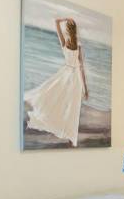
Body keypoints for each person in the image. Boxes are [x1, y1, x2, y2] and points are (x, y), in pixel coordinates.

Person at [25, 18, 89, 146]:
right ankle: (70, 137)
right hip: (75, 78)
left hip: (65, 74)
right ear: (75, 30)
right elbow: (81, 67)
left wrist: (64, 19)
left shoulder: (64, 43)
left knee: (59, 101)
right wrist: (85, 88)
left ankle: (64, 130)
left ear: (67, 30)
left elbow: (56, 22)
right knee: (72, 108)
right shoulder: (78, 46)